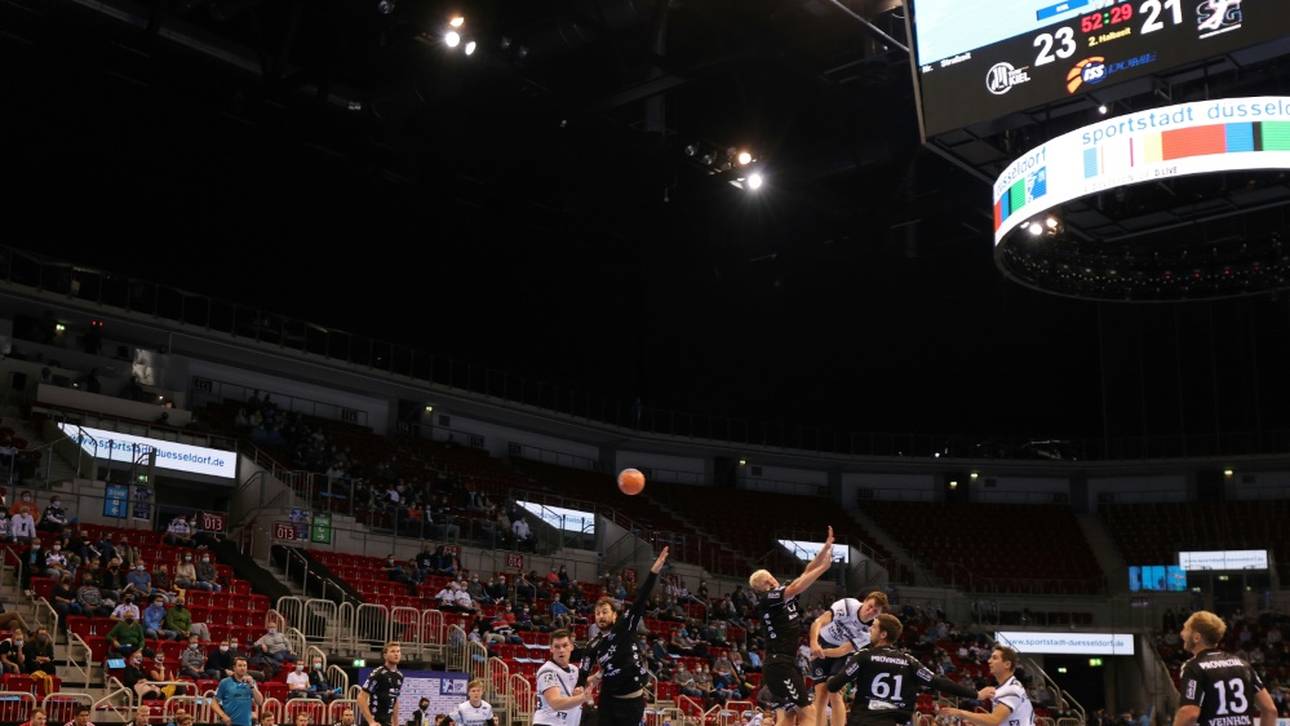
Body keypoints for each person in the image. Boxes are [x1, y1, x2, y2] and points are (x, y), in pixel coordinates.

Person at [826, 614, 983, 726]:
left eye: (873, 627)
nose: (869, 630)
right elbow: (939, 682)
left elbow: (833, 685)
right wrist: (975, 694)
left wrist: (833, 679)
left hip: (862, 721)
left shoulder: (864, 656)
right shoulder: (909, 661)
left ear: (883, 634)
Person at [749, 526, 836, 726]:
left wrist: (825, 550)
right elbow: (796, 586)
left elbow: (806, 572)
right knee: (808, 712)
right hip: (780, 665)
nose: (773, 582)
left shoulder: (782, 595)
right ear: (763, 587)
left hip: (784, 663)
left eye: (771, 578)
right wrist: (824, 568)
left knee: (789, 716)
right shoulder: (768, 599)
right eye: (768, 581)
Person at [580, 547, 669, 726]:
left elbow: (640, 600)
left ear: (614, 615)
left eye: (605, 612)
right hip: (608, 700)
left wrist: (653, 572)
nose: (600, 616)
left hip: (632, 702)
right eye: (597, 613)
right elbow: (582, 673)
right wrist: (580, 686)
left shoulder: (624, 626)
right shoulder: (593, 644)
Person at [1172, 611, 1277, 726]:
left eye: (1186, 629)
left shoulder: (1193, 667)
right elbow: (1270, 710)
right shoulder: (1243, 665)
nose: (1182, 634)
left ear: (1197, 637)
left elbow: (1189, 713)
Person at [809, 592, 889, 726]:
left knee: (834, 691)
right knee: (820, 693)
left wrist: (821, 653)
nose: (870, 612)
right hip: (823, 641)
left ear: (879, 614)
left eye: (875, 611)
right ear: (864, 601)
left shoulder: (870, 630)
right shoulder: (847, 605)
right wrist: (813, 643)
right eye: (870, 606)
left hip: (842, 655)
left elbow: (842, 651)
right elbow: (819, 621)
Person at [939, 646, 1035, 726]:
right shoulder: (1006, 687)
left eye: (994, 658)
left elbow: (994, 720)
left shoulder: (1012, 689)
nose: (989, 661)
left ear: (1007, 664)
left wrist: (960, 713)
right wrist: (976, 721)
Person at [535, 629, 595, 726]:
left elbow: (585, 682)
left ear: (571, 646)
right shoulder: (547, 671)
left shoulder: (573, 669)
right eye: (557, 647)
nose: (561, 650)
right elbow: (555, 703)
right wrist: (582, 697)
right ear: (551, 649)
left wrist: (600, 674)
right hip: (548, 723)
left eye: (565, 645)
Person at [359, 642, 404, 726]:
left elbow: (395, 700)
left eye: (398, 651)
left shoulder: (399, 676)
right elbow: (361, 698)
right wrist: (371, 721)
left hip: (387, 722)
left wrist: (396, 723)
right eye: (393, 651)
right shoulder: (378, 673)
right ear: (385, 655)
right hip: (375, 721)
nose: (396, 654)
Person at [211, 657, 264, 726]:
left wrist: (252, 686)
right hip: (230, 723)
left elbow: (259, 702)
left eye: (244, 665)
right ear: (234, 668)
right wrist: (223, 715)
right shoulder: (224, 682)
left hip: (246, 723)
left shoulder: (251, 682)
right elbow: (213, 703)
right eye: (240, 666)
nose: (242, 668)